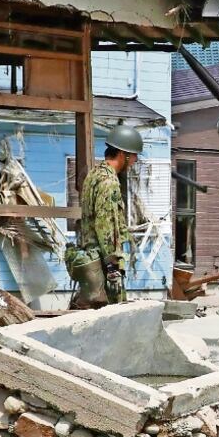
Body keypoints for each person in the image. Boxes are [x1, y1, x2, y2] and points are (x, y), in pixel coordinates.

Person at [76, 124, 142, 305]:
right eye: (134, 154)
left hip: (91, 262)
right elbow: (107, 226)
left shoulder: (94, 175)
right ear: (123, 154)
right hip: (104, 266)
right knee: (115, 320)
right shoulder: (109, 182)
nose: (135, 159)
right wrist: (113, 267)